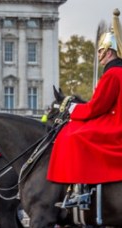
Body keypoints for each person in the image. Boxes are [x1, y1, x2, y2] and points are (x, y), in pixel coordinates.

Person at [48, 10, 122, 209]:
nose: (98, 56)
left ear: (108, 52)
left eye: (100, 51)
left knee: (72, 135)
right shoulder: (116, 73)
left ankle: (79, 189)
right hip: (114, 120)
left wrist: (73, 109)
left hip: (115, 125)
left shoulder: (113, 74)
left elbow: (97, 107)